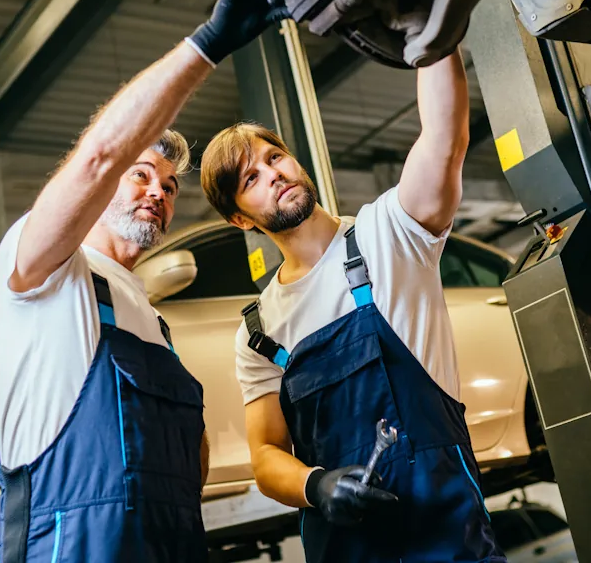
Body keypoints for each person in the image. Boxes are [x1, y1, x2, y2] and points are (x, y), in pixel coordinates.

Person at [0, 0, 290, 563]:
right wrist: (209, 44)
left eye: (172, 186)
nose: (159, 191)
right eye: (141, 175)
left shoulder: (152, 321)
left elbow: (188, 461)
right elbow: (101, 155)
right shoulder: (46, 271)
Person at [199, 48, 505, 562]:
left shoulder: (388, 235)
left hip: (448, 534)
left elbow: (444, 141)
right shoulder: (259, 331)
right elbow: (266, 456)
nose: (273, 173)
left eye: (274, 157)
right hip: (345, 548)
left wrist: (434, 36)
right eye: (250, 179)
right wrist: (316, 486)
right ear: (241, 221)